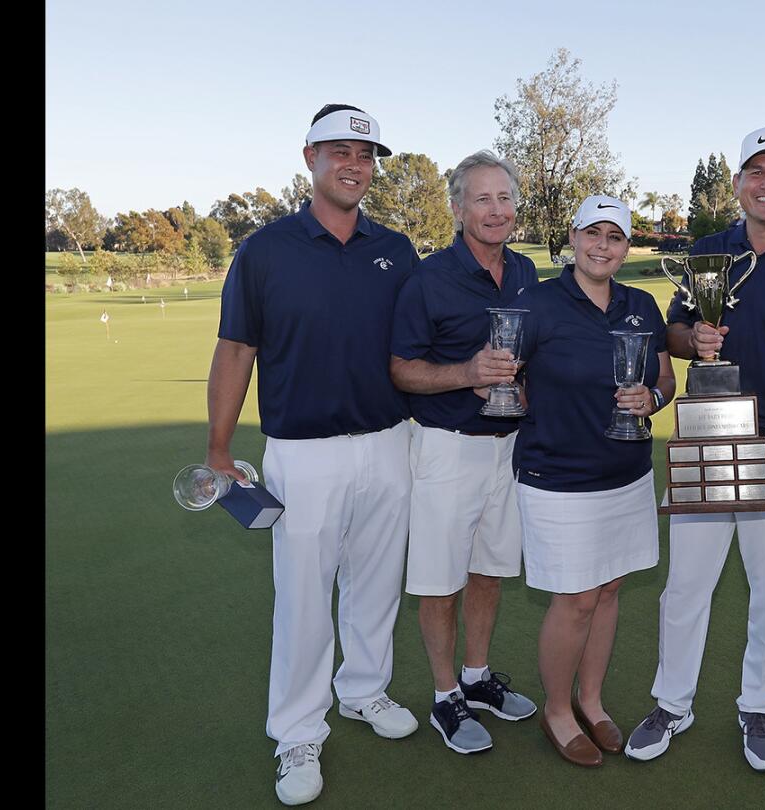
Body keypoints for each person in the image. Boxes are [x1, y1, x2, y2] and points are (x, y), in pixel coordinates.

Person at [207, 104, 421, 806]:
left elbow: (415, 350)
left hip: (390, 443)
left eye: (365, 155)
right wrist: (218, 448)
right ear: (309, 159)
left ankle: (363, 691)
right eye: (340, 153)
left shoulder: (395, 249)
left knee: (375, 585)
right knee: (303, 600)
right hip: (301, 453)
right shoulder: (264, 250)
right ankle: (297, 731)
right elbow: (237, 348)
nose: (355, 166)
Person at [624, 126, 765, 773]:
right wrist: (691, 339)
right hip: (708, 429)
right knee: (686, 583)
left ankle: (758, 705)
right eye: (757, 171)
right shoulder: (709, 252)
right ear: (738, 183)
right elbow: (671, 330)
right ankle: (673, 702)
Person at [511, 195, 676, 767]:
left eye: (614, 236)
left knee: (608, 591)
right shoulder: (536, 304)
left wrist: (650, 399)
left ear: (626, 246)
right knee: (576, 597)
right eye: (592, 233)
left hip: (626, 473)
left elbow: (664, 378)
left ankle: (593, 701)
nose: (602, 245)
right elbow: (506, 375)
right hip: (556, 475)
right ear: (573, 238)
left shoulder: (640, 304)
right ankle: (558, 711)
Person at [389, 150, 539, 755]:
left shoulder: (527, 271)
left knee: (488, 571)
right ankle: (445, 694)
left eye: (504, 198)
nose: (495, 209)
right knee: (439, 580)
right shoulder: (427, 279)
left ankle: (477, 679)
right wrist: (466, 373)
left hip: (510, 449)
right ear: (456, 209)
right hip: (447, 450)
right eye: (482, 198)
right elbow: (401, 369)